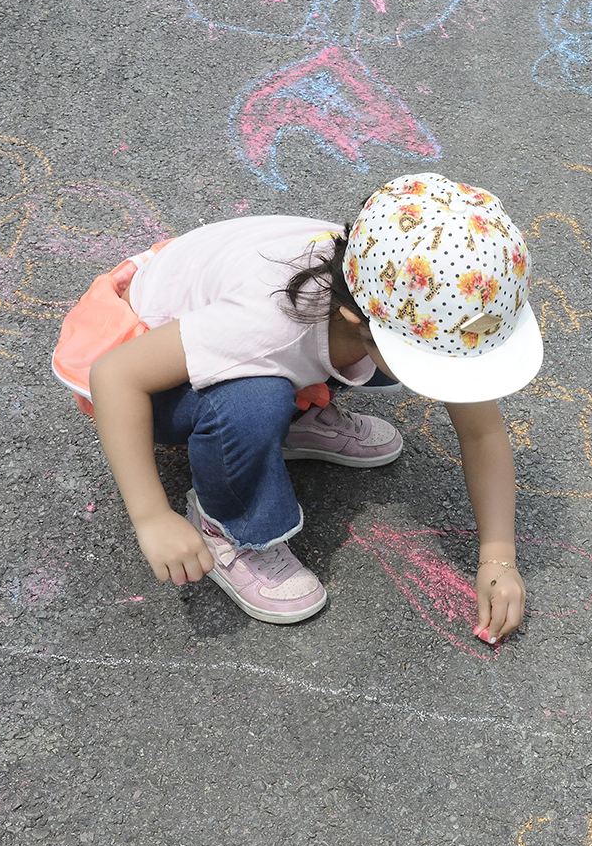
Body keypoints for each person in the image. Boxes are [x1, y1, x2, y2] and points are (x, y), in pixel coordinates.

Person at [84, 173, 541, 643]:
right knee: (252, 405)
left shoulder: (385, 278)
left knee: (383, 365)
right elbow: (113, 376)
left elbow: (482, 430)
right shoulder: (266, 324)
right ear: (352, 315)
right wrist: (153, 517)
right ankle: (227, 524)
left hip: (244, 334)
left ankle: (295, 416)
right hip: (149, 372)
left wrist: (498, 557)